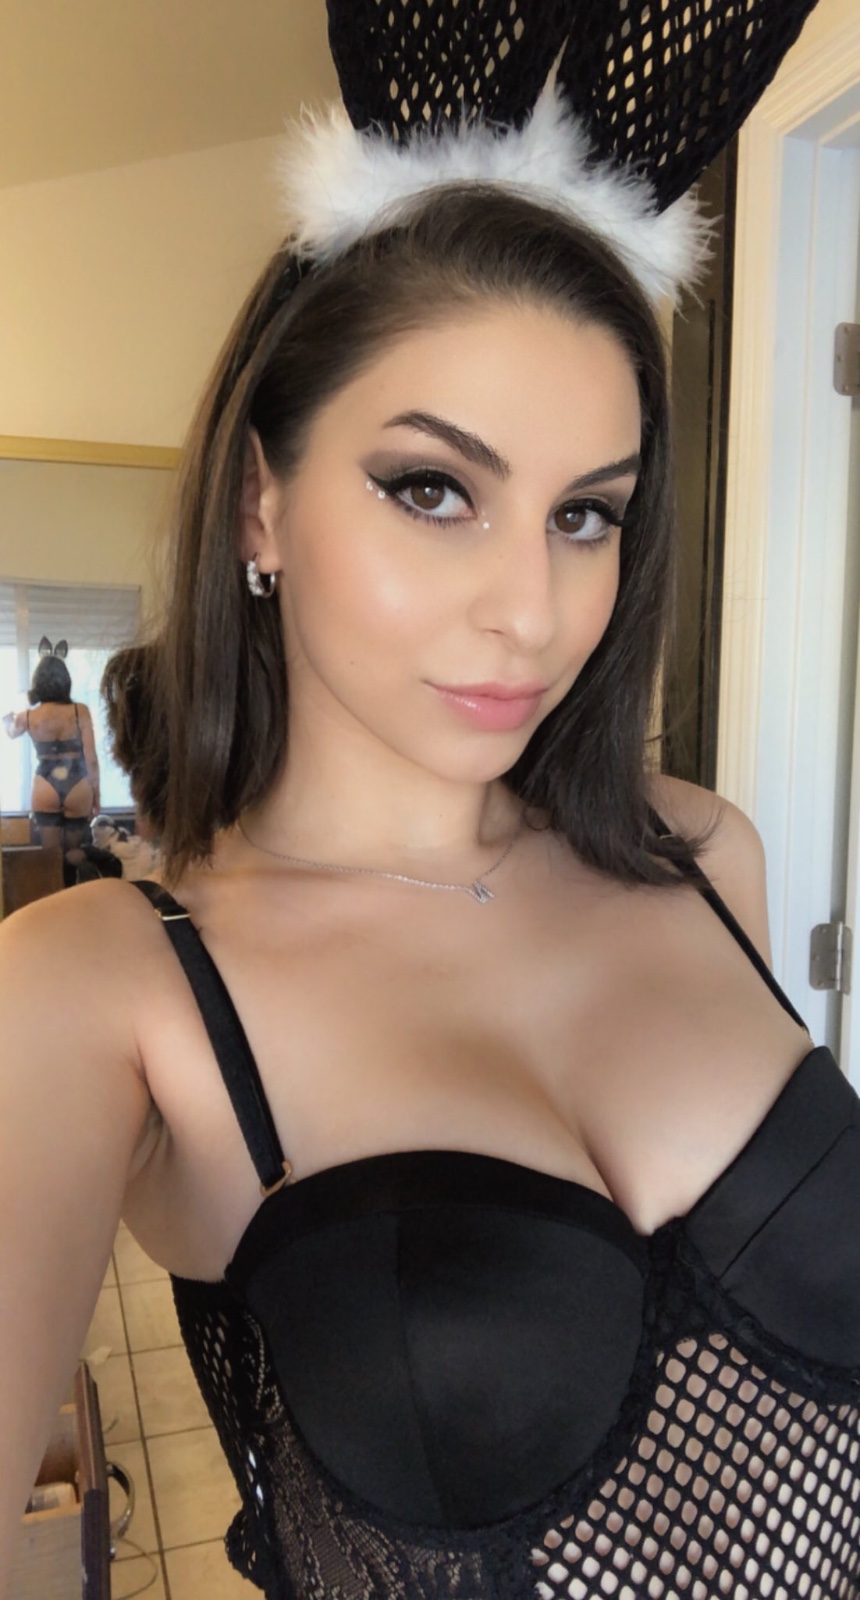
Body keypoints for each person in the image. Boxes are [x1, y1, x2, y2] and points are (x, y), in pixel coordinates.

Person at [2, 3, 853, 1597]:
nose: (531, 610)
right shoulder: (106, 991)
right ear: (260, 503)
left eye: (586, 516)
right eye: (434, 489)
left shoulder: (702, 855)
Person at [2, 642, 100, 884]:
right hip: (78, 783)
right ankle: (74, 893)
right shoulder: (80, 711)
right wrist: (96, 795)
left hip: (45, 782)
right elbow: (91, 759)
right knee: (73, 853)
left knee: (51, 857)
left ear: (38, 683)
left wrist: (7, 719)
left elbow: (11, 733)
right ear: (65, 681)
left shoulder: (28, 716)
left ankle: (56, 897)